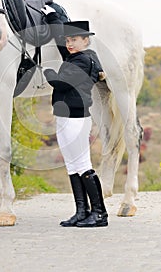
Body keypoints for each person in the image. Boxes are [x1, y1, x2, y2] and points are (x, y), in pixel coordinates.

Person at [41, 20, 108, 228]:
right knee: (72, 165)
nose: (70, 43)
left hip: (76, 118)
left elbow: (61, 82)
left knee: (82, 165)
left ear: (86, 40)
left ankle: (99, 213)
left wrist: (47, 72)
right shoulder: (76, 57)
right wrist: (53, 20)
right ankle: (81, 211)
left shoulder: (83, 60)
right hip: (65, 116)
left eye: (75, 40)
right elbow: (65, 52)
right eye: (68, 39)